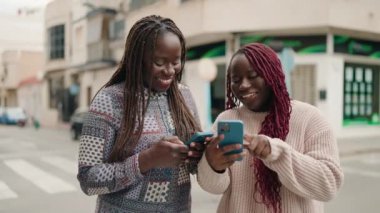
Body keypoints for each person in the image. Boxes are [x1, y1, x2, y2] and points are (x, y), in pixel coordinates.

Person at [77, 15, 204, 213]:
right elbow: (88, 179)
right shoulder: (109, 100)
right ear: (137, 59)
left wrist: (205, 155)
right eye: (159, 62)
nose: (170, 71)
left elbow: (195, 167)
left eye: (176, 62)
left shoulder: (184, 95)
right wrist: (147, 159)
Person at [197, 43, 344, 213]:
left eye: (253, 76)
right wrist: (213, 165)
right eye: (235, 80)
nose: (243, 85)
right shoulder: (227, 119)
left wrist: (276, 153)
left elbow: (328, 186)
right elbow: (214, 187)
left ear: (272, 75)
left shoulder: (310, 118)